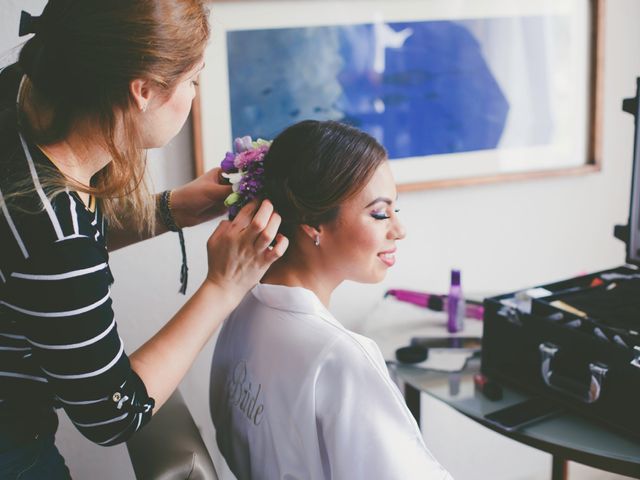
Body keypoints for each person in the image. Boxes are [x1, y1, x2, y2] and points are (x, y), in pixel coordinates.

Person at [0, 1, 288, 478]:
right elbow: (114, 414)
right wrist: (223, 286)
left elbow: (30, 264)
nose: (195, 94)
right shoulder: (49, 225)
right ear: (144, 91)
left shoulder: (23, 93)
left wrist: (170, 209)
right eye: (192, 80)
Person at [210, 120, 453, 479]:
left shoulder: (243, 309)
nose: (399, 230)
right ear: (313, 223)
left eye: (394, 210)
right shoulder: (341, 357)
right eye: (379, 213)